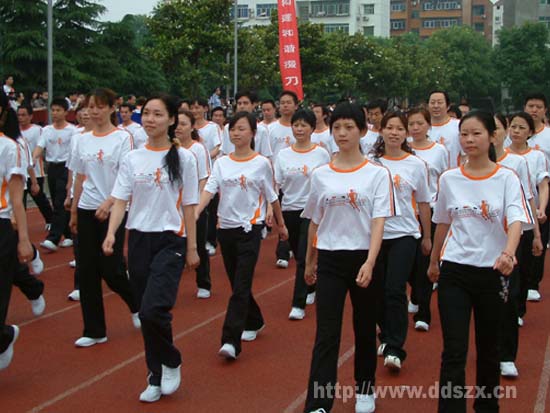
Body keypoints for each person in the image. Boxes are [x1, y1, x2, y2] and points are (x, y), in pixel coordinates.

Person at [428, 111, 530, 413]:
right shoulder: (449, 179)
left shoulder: (506, 178)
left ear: (492, 137)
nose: (469, 140)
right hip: (455, 271)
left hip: (493, 272)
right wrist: (433, 261)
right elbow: (442, 222)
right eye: (464, 134)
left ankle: (487, 407)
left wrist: (508, 253)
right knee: (454, 350)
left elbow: (516, 219)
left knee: (489, 349)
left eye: (476, 133)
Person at [103, 94, 199, 402]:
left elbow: (189, 205)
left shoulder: (184, 158)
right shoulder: (132, 158)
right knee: (147, 314)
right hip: (139, 240)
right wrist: (111, 233)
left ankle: (171, 359)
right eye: (146, 113)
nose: (150, 119)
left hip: (171, 239)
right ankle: (155, 375)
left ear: (171, 120)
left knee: (153, 309)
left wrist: (192, 247)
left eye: (158, 114)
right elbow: (121, 200)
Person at [302, 102, 395, 413]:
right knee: (326, 333)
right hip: (330, 258)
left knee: (365, 327)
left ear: (363, 131)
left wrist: (370, 261)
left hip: (364, 259)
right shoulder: (320, 175)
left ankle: (365, 389)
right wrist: (310, 260)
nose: (342, 133)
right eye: (337, 127)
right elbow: (315, 221)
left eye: (349, 127)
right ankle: (318, 402)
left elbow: (379, 221)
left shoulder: (377, 174)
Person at [196, 111, 288, 360]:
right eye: (233, 129)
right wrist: (196, 212)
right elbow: (209, 190)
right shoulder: (222, 163)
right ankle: (255, 319)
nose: (236, 133)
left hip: (250, 229)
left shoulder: (261, 163)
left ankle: (230, 340)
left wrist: (281, 225)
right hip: (225, 230)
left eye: (241, 128)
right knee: (237, 282)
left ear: (252, 133)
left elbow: (271, 196)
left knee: (241, 285)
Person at [69, 88, 140, 348]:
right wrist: (74, 210)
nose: (94, 112)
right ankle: (94, 329)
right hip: (87, 208)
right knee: (87, 269)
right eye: (91, 106)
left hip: (114, 208)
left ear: (112, 108)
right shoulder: (81, 140)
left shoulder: (123, 138)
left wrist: (109, 201)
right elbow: (79, 176)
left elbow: (126, 176)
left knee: (111, 269)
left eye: (100, 106)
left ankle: (136, 304)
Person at [370, 111, 431, 372]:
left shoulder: (416, 165)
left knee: (395, 289)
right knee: (375, 291)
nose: (394, 133)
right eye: (389, 128)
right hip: (375, 236)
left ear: (406, 134)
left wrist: (427, 236)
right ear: (381, 131)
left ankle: (395, 348)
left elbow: (424, 202)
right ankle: (385, 334)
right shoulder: (370, 164)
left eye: (399, 129)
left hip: (405, 235)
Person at [493, 112, 542, 378]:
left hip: (513, 236)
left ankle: (506, 355)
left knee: (509, 295)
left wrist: (536, 234)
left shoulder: (517, 163)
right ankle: (489, 347)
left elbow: (528, 198)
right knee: (487, 298)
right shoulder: (467, 163)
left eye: (497, 129)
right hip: (482, 241)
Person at [274, 109, 330, 320]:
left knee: (303, 256)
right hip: (289, 208)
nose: (299, 129)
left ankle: (298, 304)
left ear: (312, 129)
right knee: (300, 255)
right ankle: (311, 284)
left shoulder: (321, 154)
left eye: (303, 125)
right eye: (296, 125)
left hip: (312, 211)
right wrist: (272, 209)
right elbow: (276, 183)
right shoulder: (283, 154)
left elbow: (326, 182)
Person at [407, 107, 449, 332]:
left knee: (425, 259)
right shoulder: (403, 148)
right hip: (406, 212)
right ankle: (415, 293)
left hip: (430, 210)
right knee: (409, 262)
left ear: (428, 126)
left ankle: (423, 313)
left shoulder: (439, 151)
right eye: (411, 124)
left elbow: (444, 179)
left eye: (419, 123)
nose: (415, 128)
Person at [0, 92, 33, 370]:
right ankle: (4, 336)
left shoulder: (9, 148)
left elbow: (17, 199)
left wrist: (24, 239)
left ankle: (3, 334)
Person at [176, 110, 212, 299]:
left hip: (194, 206)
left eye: (183, 124)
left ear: (192, 127)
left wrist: (197, 205)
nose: (179, 128)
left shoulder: (198, 149)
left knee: (197, 244)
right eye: (177, 124)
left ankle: (203, 282)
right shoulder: (169, 148)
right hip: (174, 208)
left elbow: (204, 177)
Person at [33, 98, 77, 251]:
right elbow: (40, 146)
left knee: (59, 202)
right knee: (58, 202)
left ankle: (53, 238)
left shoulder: (72, 131)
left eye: (58, 110)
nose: (55, 113)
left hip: (66, 167)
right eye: (53, 110)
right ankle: (69, 235)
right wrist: (33, 159)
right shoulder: (46, 130)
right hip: (52, 168)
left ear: (66, 112)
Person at [525, 92, 550, 301]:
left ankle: (533, 283)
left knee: (539, 235)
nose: (534, 110)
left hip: (543, 189)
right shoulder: (515, 134)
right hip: (519, 193)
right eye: (530, 106)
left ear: (545, 110)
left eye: (538, 107)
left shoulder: (548, 135)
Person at [270, 91, 299, 269]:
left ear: (296, 105)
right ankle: (283, 251)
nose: (285, 105)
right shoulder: (271, 129)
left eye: (289, 102)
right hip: (277, 179)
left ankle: (288, 247)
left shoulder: (300, 127)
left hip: (296, 179)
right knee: (281, 217)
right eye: (282, 102)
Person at [17, 105, 53, 229]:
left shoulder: (38, 130)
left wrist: (32, 161)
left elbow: (41, 147)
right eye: (19, 115)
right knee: (20, 201)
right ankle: (20, 225)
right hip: (21, 173)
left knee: (39, 198)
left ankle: (50, 219)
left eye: (23, 115)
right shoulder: (15, 131)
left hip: (36, 172)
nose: (21, 118)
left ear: (31, 116)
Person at [427, 90, 461, 168]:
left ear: (448, 106)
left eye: (440, 102)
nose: (436, 106)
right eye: (432, 103)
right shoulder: (422, 128)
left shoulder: (458, 126)